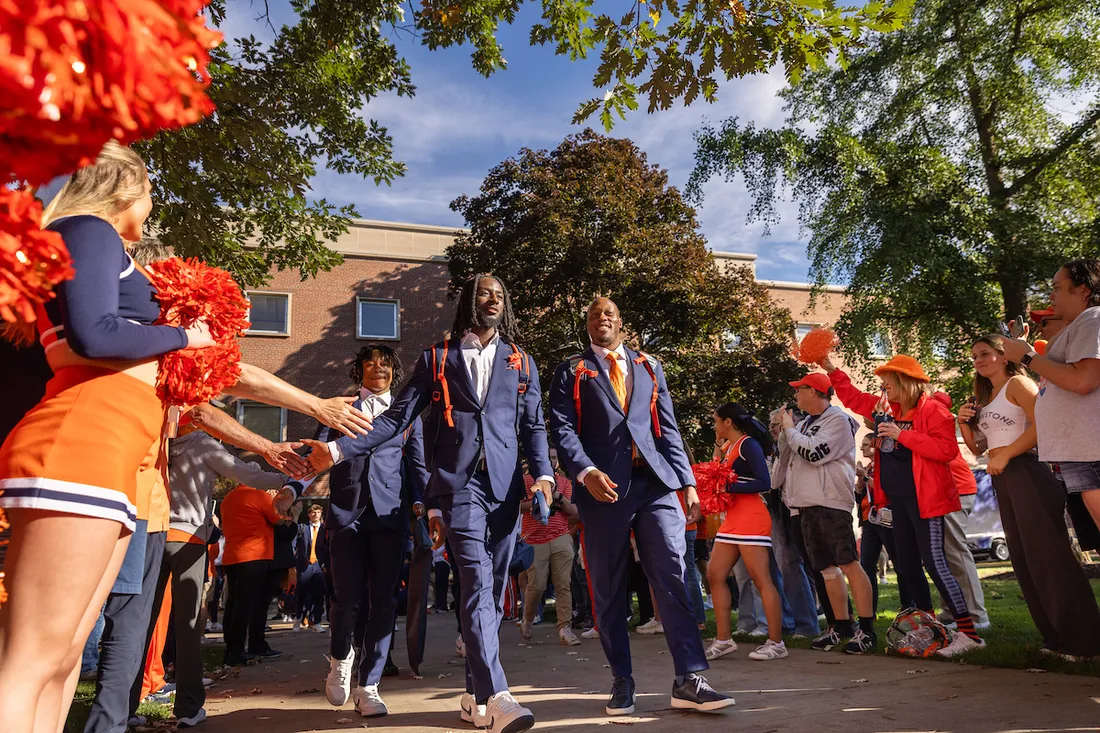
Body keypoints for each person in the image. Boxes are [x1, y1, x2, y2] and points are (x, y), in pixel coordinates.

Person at [0, 143, 218, 733]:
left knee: (65, 656)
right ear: (127, 186)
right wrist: (183, 336)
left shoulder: (87, 239)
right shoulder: (89, 229)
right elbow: (95, 335)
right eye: (150, 191)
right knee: (31, 661)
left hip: (109, 449)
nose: (151, 208)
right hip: (80, 443)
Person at [304, 274, 554, 733]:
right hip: (458, 489)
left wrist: (543, 476)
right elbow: (398, 417)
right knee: (477, 584)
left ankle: (472, 695)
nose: (493, 299)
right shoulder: (437, 358)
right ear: (469, 302)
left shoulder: (521, 362)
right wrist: (339, 450)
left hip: (504, 490)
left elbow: (534, 426)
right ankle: (497, 696)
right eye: (484, 293)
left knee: (493, 596)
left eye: (501, 293)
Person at [549, 297, 733, 717]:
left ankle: (689, 678)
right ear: (588, 325)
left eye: (609, 313)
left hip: (656, 484)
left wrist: (686, 480)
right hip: (603, 490)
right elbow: (561, 427)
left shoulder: (649, 365)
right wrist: (584, 472)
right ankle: (622, 680)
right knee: (608, 585)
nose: (602, 319)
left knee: (673, 571)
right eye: (594, 315)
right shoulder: (572, 370)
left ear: (620, 321)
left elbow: (666, 425)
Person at [821, 355, 984, 656]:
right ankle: (929, 628)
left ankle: (970, 634)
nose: (883, 386)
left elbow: (946, 450)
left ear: (905, 382)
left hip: (925, 501)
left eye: (888, 382)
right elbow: (855, 398)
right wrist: (832, 369)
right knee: (907, 567)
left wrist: (902, 435)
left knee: (936, 563)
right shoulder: (887, 409)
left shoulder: (935, 411)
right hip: (895, 501)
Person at [960, 334, 1100, 659]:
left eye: (985, 353)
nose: (978, 360)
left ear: (1003, 354)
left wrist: (1007, 454)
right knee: (1023, 560)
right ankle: (1055, 639)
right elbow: (978, 448)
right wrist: (963, 423)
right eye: (974, 356)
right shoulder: (987, 395)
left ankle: (1086, 643)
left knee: (1049, 557)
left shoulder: (1018, 384)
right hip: (1003, 475)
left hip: (1028, 470)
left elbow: (1043, 424)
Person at [308, 343, 429, 718]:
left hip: (390, 517)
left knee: (385, 602)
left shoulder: (408, 416)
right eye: (369, 363)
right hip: (347, 515)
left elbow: (417, 469)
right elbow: (316, 456)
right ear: (358, 371)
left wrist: (424, 508)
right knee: (347, 598)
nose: (377, 368)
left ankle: (369, 685)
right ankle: (340, 659)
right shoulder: (339, 410)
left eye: (385, 364)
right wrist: (291, 488)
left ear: (394, 371)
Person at [774, 372, 876, 653]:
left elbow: (814, 454)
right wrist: (785, 435)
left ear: (815, 392)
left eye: (800, 389)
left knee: (848, 563)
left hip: (831, 502)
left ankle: (866, 630)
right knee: (826, 569)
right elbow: (785, 467)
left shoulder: (838, 420)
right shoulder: (806, 423)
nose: (796, 395)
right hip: (805, 505)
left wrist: (791, 431)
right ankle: (840, 627)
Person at [1000, 259, 1100, 529]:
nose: (1051, 296)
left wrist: (1028, 356)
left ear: (1083, 290)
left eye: (1057, 287)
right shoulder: (1080, 326)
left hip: (1091, 453)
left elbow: (1083, 380)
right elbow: (1062, 380)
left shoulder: (1093, 319)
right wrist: (1025, 353)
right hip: (1081, 453)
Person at [704, 403, 788, 662]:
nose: (715, 426)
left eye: (717, 421)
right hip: (733, 518)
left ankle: (776, 642)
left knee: (761, 578)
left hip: (751, 517)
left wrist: (727, 487)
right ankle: (723, 639)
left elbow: (765, 482)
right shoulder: (729, 446)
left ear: (728, 422)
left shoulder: (748, 444)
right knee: (715, 574)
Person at [929, 392, 989, 630]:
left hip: (958, 491)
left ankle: (977, 617)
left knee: (955, 552)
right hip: (945, 493)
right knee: (943, 555)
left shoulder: (940, 425)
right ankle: (952, 611)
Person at [519, 452, 582, 646]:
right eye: (548, 457)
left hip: (561, 537)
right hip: (534, 540)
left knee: (563, 584)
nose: (552, 461)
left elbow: (574, 511)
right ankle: (528, 619)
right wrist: (539, 499)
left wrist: (556, 496)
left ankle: (565, 628)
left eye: (554, 457)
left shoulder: (564, 483)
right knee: (536, 586)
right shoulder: (526, 481)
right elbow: (519, 507)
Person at [219, 484, 286, 665]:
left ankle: (231, 648)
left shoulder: (227, 499)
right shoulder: (258, 496)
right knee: (246, 606)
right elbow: (278, 520)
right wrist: (278, 503)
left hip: (232, 556)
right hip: (254, 555)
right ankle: (237, 652)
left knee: (233, 604)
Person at [855, 434, 910, 615]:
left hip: (886, 517)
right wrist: (859, 486)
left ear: (875, 446)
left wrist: (864, 478)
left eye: (865, 445)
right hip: (869, 520)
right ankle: (868, 612)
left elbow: (884, 489)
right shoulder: (869, 467)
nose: (861, 448)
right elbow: (862, 495)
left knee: (899, 561)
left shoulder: (885, 465)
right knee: (866, 565)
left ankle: (908, 606)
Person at [295, 504, 329, 630]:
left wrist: (325, 563)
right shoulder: (303, 528)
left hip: (319, 565)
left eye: (318, 512)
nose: (315, 515)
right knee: (302, 593)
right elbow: (295, 544)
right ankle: (299, 618)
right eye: (313, 513)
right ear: (309, 514)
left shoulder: (325, 529)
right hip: (304, 565)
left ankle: (317, 621)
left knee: (318, 594)